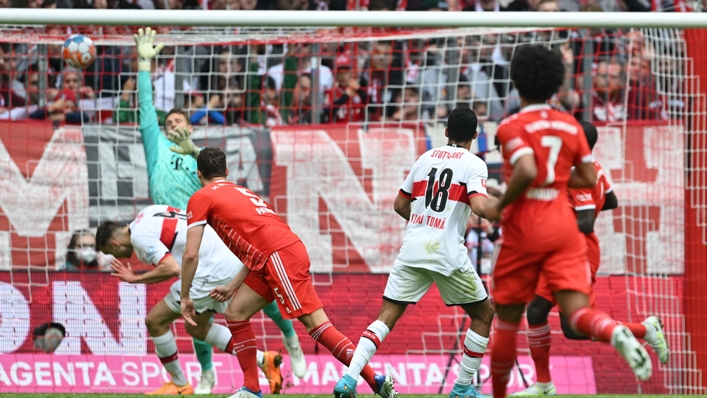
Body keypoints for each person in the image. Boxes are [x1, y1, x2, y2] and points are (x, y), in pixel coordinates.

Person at [130, 27, 306, 395]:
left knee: (257, 284)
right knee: (195, 311)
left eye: (180, 122)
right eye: (169, 124)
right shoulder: (158, 150)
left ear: (189, 128)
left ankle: (291, 339)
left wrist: (192, 146)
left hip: (207, 234)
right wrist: (144, 64)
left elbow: (218, 179)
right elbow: (146, 109)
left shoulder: (197, 156)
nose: (173, 126)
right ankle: (207, 374)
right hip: (177, 237)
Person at [482, 44, 653, 398]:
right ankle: (612, 331)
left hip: (525, 230)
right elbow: (589, 178)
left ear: (516, 82)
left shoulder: (511, 125)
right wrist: (556, 181)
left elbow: (528, 169)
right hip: (564, 229)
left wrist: (501, 206)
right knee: (576, 314)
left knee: (507, 322)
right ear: (557, 84)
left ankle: (500, 393)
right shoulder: (571, 125)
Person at [179, 147, 398, 398]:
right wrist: (232, 286)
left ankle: (375, 380)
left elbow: (190, 254)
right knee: (236, 313)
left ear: (199, 174)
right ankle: (250, 389)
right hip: (275, 254)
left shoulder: (201, 196)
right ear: (226, 171)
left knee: (316, 325)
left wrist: (185, 297)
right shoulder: (243, 191)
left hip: (278, 257)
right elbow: (259, 243)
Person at [333, 107, 497, 398]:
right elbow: (481, 207)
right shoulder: (474, 164)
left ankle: (347, 380)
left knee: (386, 317)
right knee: (483, 314)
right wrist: (508, 207)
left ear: (445, 131)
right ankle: (462, 389)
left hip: (413, 248)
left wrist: (422, 224)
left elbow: (399, 204)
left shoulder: (426, 158)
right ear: (475, 135)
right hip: (445, 252)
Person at [510, 122, 669, 397]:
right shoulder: (592, 167)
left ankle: (645, 329)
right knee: (537, 311)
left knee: (575, 325)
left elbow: (585, 222)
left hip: (577, 251)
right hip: (559, 252)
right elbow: (611, 201)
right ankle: (544, 386)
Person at [96, 205, 284, 395]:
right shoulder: (147, 212)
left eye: (111, 253)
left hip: (209, 268)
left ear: (115, 244)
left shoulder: (139, 237)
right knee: (197, 327)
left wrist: (135, 278)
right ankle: (264, 360)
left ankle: (180, 384)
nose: (116, 257)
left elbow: (171, 268)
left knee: (155, 321)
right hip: (224, 256)